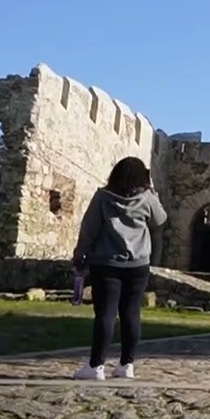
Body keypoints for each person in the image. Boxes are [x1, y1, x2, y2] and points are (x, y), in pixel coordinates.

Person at [70, 157, 168, 381]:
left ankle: (96, 366)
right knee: (131, 313)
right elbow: (160, 219)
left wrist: (79, 257)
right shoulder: (146, 199)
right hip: (138, 264)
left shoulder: (103, 197)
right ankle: (127, 364)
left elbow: (89, 230)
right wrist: (153, 194)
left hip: (106, 264)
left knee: (105, 314)